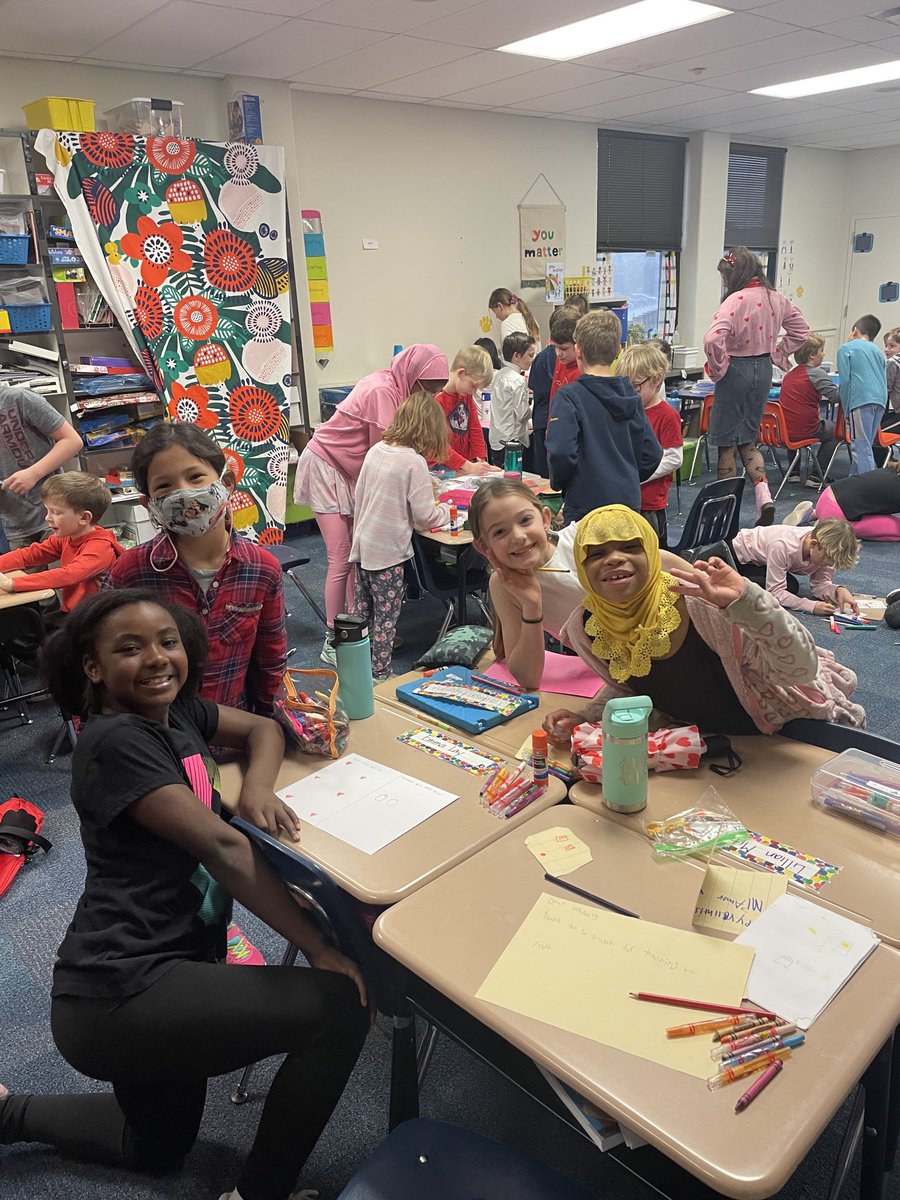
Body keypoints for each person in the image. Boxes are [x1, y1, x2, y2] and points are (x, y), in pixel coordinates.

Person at [0, 590, 368, 1200]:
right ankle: (260, 1193)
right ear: (93, 668)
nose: (157, 658)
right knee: (340, 1008)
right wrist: (318, 947)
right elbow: (224, 852)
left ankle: (8, 1114)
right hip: (122, 993)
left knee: (156, 1148)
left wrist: (254, 789)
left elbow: (262, 729)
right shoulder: (116, 740)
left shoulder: (176, 716)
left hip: (162, 969)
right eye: (130, 648)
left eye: (167, 642)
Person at [106, 424, 286, 969]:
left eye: (195, 477)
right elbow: (105, 670)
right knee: (170, 858)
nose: (184, 494)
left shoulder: (261, 569)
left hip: (226, 742)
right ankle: (184, 945)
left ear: (223, 478)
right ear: (150, 503)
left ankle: (217, 931)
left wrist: (269, 735)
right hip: (153, 749)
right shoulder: (133, 572)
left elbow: (270, 664)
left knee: (226, 850)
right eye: (164, 488)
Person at [542, 506, 864, 745]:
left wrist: (749, 603)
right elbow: (633, 683)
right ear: (582, 568)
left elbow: (799, 671)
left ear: (653, 553)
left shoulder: (701, 605)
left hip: (780, 734)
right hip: (711, 746)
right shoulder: (589, 627)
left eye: (629, 547)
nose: (613, 559)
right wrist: (590, 715)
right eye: (596, 553)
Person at [294, 345, 449, 661]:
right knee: (341, 557)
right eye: (429, 389)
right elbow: (390, 463)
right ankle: (334, 639)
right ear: (414, 375)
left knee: (354, 558)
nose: (430, 397)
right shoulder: (382, 391)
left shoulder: (398, 387)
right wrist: (422, 488)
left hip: (350, 468)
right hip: (326, 465)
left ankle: (359, 632)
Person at [467, 479, 690, 691]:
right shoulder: (504, 585)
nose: (518, 536)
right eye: (499, 532)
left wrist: (707, 584)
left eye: (525, 520)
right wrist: (532, 605)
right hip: (619, 677)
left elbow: (657, 560)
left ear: (545, 518)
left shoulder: (583, 538)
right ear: (483, 546)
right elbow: (528, 678)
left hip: (675, 649)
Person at [350, 392, 452, 682]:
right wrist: (445, 510)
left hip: (364, 546)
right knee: (386, 618)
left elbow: (364, 495)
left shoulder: (377, 449)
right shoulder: (413, 462)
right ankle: (380, 674)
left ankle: (355, 667)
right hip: (388, 554)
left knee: (361, 613)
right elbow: (425, 517)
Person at [703, 247, 809, 525]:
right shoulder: (777, 298)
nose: (725, 282)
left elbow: (713, 339)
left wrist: (718, 368)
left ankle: (722, 511)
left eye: (726, 276)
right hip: (762, 370)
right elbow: (802, 330)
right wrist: (778, 352)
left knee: (725, 444)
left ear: (734, 273)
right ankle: (764, 496)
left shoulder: (734, 300)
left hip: (735, 369)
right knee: (748, 440)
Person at [545, 311, 662, 526]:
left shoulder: (569, 397)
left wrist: (561, 483)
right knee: (624, 558)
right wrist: (626, 476)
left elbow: (561, 451)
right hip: (627, 503)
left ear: (578, 350)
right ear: (618, 351)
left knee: (588, 559)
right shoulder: (630, 394)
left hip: (586, 504)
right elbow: (652, 453)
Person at [0, 471, 122, 613]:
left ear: (84, 517)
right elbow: (33, 554)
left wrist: (12, 584)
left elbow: (68, 575)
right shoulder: (68, 536)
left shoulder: (100, 547)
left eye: (56, 512)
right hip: (75, 613)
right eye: (48, 511)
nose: (48, 518)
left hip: (96, 619)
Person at [0, 385, 84, 551]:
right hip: (13, 524)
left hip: (52, 514)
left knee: (67, 573)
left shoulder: (19, 399)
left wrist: (33, 473)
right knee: (21, 576)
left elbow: (72, 441)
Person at [616, 343, 682, 549]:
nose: (630, 393)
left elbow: (674, 458)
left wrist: (637, 476)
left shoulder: (667, 415)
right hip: (623, 500)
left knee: (651, 557)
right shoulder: (627, 410)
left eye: (635, 386)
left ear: (657, 379)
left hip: (649, 505)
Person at [732, 518, 859, 616]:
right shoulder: (782, 546)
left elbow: (820, 585)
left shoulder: (825, 549)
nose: (828, 565)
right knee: (785, 589)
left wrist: (838, 591)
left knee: (790, 587)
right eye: (828, 560)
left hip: (762, 561)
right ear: (813, 544)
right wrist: (809, 605)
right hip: (737, 556)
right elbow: (775, 591)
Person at [529, 305, 582, 477]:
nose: (558, 354)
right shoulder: (561, 361)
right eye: (555, 347)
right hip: (552, 430)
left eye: (564, 349)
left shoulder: (581, 370)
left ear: (579, 346)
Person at [784, 463, 900, 541]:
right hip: (837, 513)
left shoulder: (893, 470)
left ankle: (812, 514)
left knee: (869, 503)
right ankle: (827, 525)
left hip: (828, 497)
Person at [777, 334, 838, 483]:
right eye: (821, 350)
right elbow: (837, 397)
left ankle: (794, 472)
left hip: (782, 430)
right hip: (805, 429)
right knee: (835, 431)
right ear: (812, 355)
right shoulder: (817, 373)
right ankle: (817, 475)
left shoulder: (790, 375)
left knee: (793, 420)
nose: (823, 354)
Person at [432, 345, 500, 476]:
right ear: (461, 373)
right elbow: (439, 446)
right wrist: (469, 466)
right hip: (441, 469)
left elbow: (475, 428)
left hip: (463, 467)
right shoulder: (437, 400)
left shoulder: (466, 395)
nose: (473, 392)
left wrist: (481, 461)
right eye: (473, 386)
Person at [837, 314, 887, 476]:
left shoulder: (846, 348)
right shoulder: (878, 351)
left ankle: (869, 488)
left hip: (860, 399)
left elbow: (845, 382)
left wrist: (845, 408)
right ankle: (854, 482)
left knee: (860, 446)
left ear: (855, 331)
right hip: (880, 400)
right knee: (866, 444)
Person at [489, 332, 536, 466]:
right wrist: (535, 407)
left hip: (497, 439)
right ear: (516, 356)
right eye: (530, 355)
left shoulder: (499, 375)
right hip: (512, 440)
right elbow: (522, 415)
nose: (532, 359)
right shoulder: (518, 381)